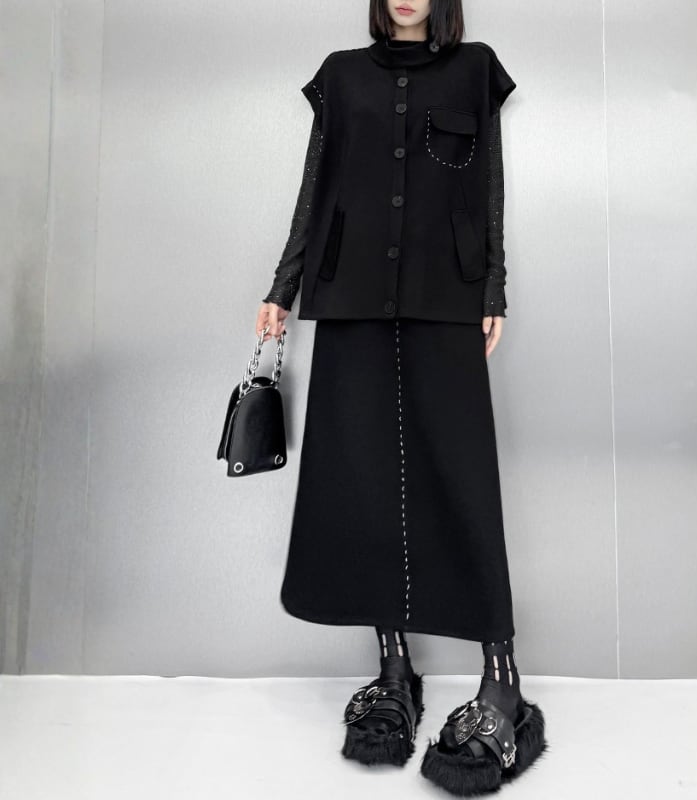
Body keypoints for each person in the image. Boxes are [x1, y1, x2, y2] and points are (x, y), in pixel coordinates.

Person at [256, 1, 547, 794]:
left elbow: (487, 183)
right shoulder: (342, 77)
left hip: (446, 295)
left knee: (462, 477)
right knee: (366, 485)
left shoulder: (474, 68)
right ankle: (395, 673)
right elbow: (316, 186)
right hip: (348, 294)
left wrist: (493, 286)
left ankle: (503, 684)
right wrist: (283, 287)